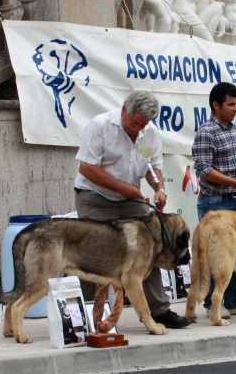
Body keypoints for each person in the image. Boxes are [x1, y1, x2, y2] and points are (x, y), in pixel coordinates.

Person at [74, 90, 191, 329]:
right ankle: (88, 313)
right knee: (92, 254)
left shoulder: (150, 134)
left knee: (150, 248)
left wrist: (159, 189)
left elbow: (152, 166)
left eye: (143, 124)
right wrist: (122, 188)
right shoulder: (101, 126)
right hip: (96, 198)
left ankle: (159, 310)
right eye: (134, 122)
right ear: (124, 110)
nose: (137, 129)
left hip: (131, 199)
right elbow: (87, 168)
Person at [192, 82, 236, 319]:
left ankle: (233, 301)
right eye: (230, 104)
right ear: (216, 105)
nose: (235, 109)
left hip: (235, 203)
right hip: (215, 202)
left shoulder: (233, 129)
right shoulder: (206, 132)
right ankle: (214, 304)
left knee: (232, 255)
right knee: (215, 256)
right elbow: (203, 170)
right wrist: (235, 183)